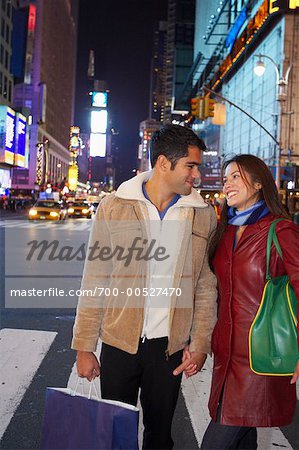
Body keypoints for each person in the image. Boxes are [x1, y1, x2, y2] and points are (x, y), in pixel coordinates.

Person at [71, 124, 217, 450]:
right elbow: (96, 277)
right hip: (119, 341)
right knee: (114, 434)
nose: (196, 174)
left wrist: (201, 342)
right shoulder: (115, 206)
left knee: (159, 436)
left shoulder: (202, 215)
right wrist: (84, 347)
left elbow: (206, 285)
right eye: (191, 166)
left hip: (169, 348)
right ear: (164, 163)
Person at [201, 154, 299, 449]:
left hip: (259, 355)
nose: (227, 184)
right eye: (225, 178)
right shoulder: (225, 231)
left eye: (236, 177)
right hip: (226, 354)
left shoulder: (280, 230)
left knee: (217, 441)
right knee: (242, 439)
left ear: (258, 183)